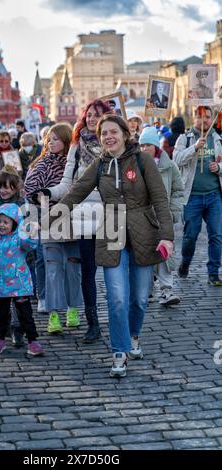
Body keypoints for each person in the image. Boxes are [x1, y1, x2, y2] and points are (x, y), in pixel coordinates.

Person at [51, 114, 173, 377]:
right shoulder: (99, 164)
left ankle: (134, 335)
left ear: (125, 134)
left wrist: (167, 236)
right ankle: (120, 351)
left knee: (139, 299)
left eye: (113, 131)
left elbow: (160, 199)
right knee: (117, 298)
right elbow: (75, 193)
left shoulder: (143, 161)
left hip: (143, 230)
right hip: (110, 230)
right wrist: (47, 218)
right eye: (103, 133)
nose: (108, 136)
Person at [31, 99, 111, 342]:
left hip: (111, 215)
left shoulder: (113, 144)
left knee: (115, 271)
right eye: (89, 114)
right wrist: (49, 192)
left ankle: (122, 318)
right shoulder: (77, 146)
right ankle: (93, 323)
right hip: (84, 217)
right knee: (87, 271)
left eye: (98, 115)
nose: (92, 119)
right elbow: (67, 183)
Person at [25, 123, 83, 335]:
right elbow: (29, 192)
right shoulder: (39, 165)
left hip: (73, 220)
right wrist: (32, 221)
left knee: (73, 269)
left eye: (57, 139)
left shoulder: (75, 165)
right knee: (52, 269)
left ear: (67, 141)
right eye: (49, 139)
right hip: (47, 221)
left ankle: (72, 309)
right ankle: (54, 314)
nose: (51, 143)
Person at [0, 203, 43, 356]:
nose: (1, 225)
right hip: (0, 285)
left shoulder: (19, 238)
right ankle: (0, 339)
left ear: (14, 223)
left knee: (25, 315)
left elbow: (31, 245)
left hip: (20, 284)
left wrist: (31, 232)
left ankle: (32, 341)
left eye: (6, 222)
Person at [173, 106, 222, 286]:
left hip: (214, 195)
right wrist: (194, 148)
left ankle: (213, 272)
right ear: (194, 118)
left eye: (208, 117)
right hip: (192, 197)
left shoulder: (218, 139)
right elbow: (176, 160)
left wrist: (219, 169)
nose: (205, 121)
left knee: (216, 235)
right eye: (201, 117)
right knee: (190, 236)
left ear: (213, 119)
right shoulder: (184, 138)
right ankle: (185, 262)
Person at [0, 165, 29, 347]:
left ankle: (19, 328)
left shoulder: (23, 205)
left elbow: (29, 230)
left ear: (15, 188)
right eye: (0, 186)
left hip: (20, 260)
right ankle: (5, 327)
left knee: (19, 296)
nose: (3, 190)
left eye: (8, 187)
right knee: (2, 298)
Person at [139, 126, 184, 305]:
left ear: (155, 146)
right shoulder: (136, 165)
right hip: (143, 219)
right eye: (141, 145)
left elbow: (178, 190)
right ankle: (147, 289)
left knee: (164, 253)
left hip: (163, 218)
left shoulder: (169, 166)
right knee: (145, 254)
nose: (144, 149)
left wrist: (173, 211)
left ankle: (167, 290)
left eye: (147, 145)